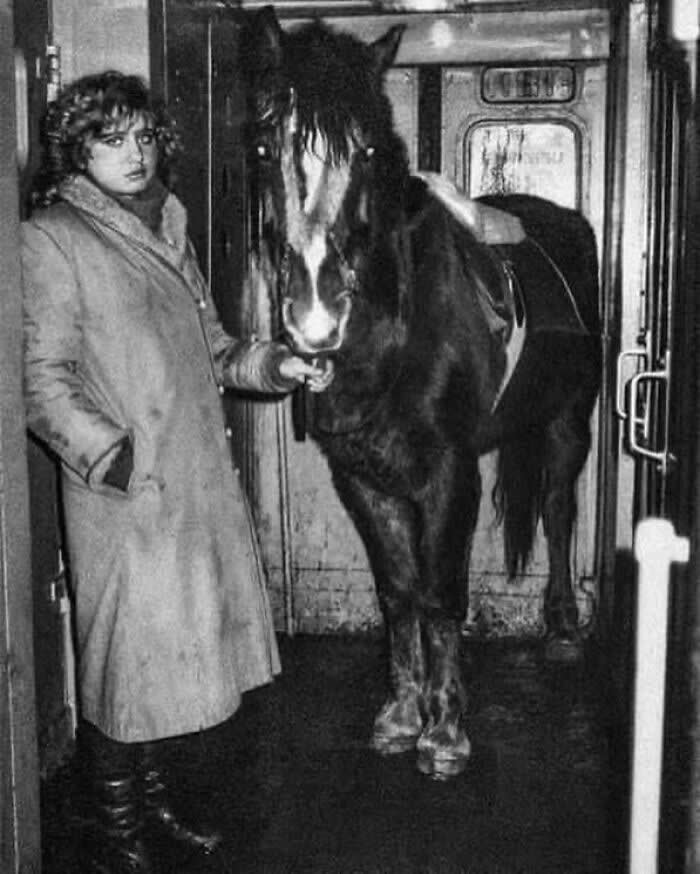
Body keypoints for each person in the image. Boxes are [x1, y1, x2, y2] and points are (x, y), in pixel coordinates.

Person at [21, 70, 333, 874]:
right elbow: (37, 378)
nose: (132, 154)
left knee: (154, 670)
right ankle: (115, 830)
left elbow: (219, 349)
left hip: (188, 489)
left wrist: (281, 365)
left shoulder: (166, 225)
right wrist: (113, 459)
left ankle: (150, 808)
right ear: (75, 150)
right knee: (120, 668)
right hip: (127, 498)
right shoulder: (52, 237)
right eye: (108, 139)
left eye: (142, 137)